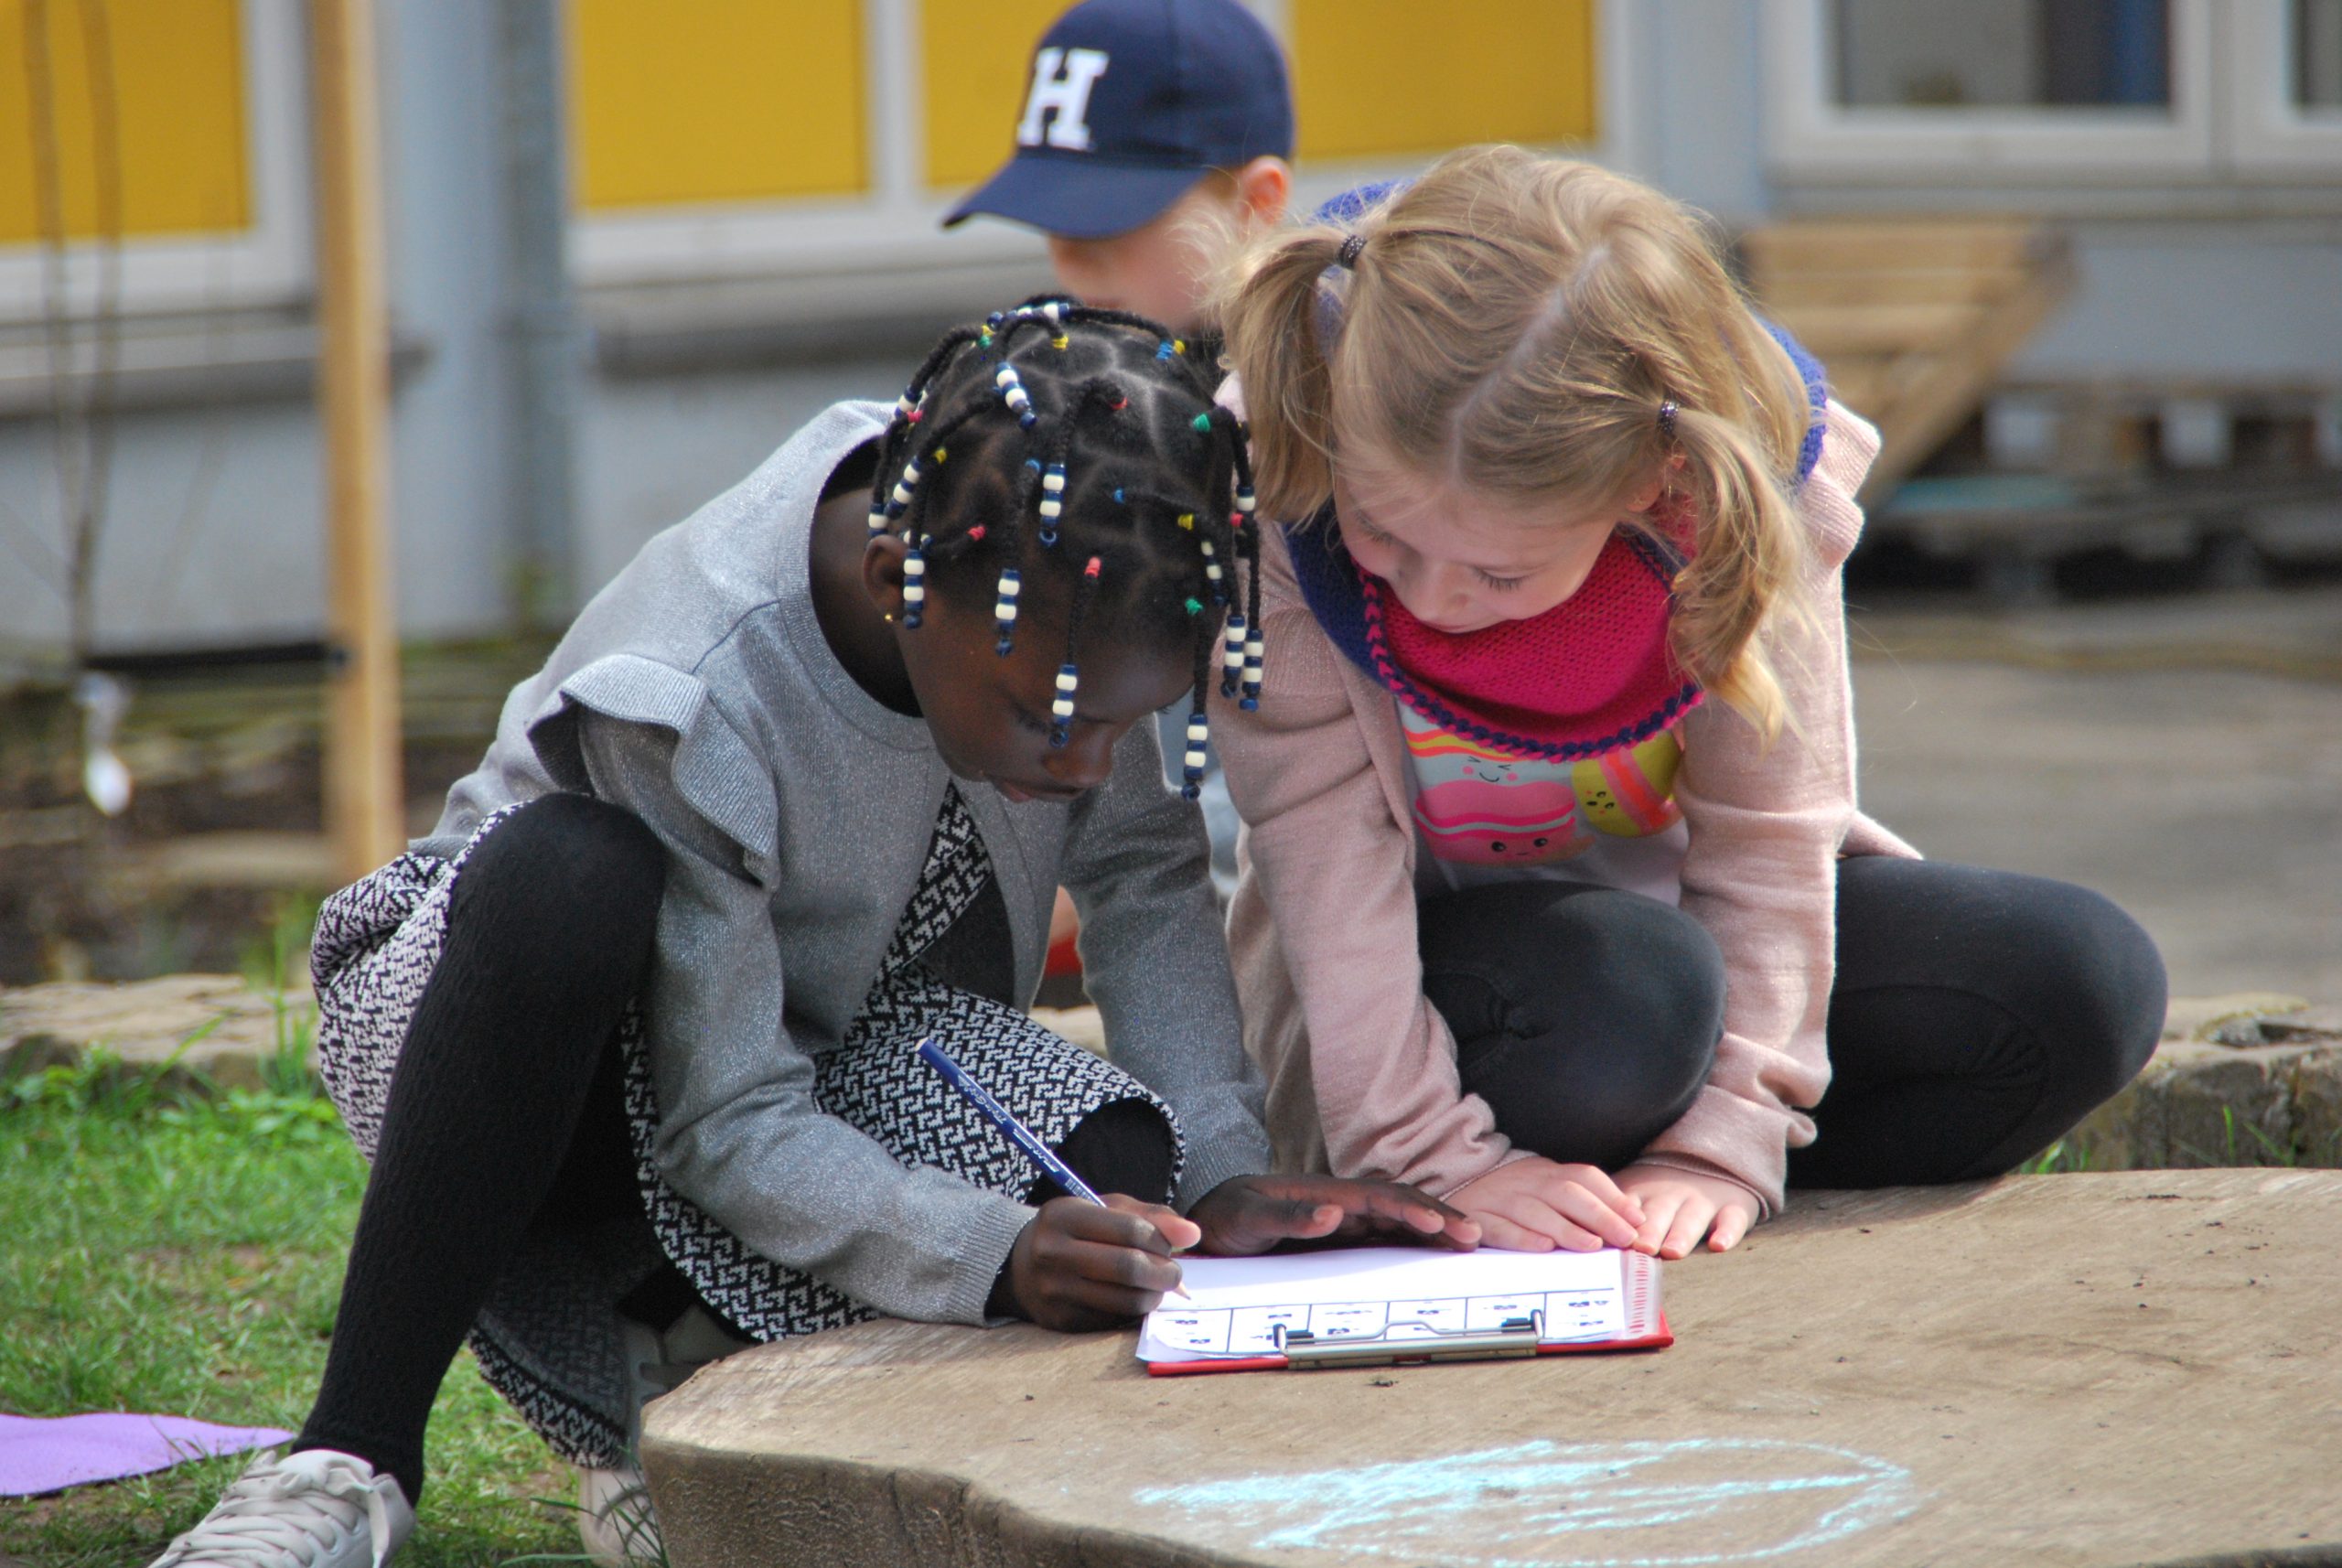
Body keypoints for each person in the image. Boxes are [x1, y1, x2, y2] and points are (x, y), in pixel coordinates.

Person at [149, 304, 1474, 1568]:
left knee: (1115, 1173)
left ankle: (686, 1373)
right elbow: (719, 1119)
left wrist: (1218, 1180)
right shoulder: (697, 686)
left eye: (1122, 729)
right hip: (511, 1036)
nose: (1083, 767)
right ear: (901, 582)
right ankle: (355, 1453)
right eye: (1047, 724)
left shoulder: (1085, 558)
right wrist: (987, 1253)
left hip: (817, 1024)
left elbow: (1141, 873)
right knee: (573, 877)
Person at [1209, 145, 2166, 1263]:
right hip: (1471, 1016)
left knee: (2078, 981)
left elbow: (1770, 840)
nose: (1431, 595)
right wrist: (1439, 1158)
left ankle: (1636, 1189)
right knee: (1637, 994)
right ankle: (1527, 1182)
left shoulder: (1748, 487)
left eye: (1500, 574)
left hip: (1690, 978)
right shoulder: (1283, 472)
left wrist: (1728, 1139)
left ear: (1651, 485)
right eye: (1385, 536)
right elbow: (1323, 860)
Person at [947, 0, 1295, 900]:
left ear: (1256, 204)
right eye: (1050, 220)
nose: (1066, 256)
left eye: (1105, 224)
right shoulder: (1045, 385)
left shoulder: (1318, 420)